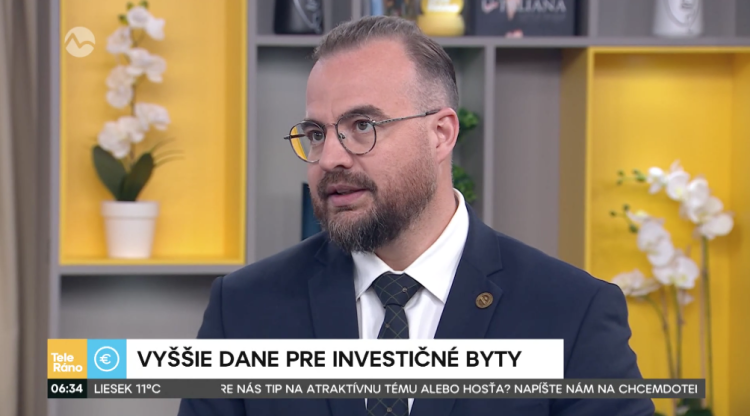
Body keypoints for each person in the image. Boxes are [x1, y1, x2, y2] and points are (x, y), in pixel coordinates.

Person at [178, 15, 654, 416]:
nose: (330, 159)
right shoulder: (242, 309)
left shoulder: (571, 313)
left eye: (362, 126)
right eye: (317, 133)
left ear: (441, 134)